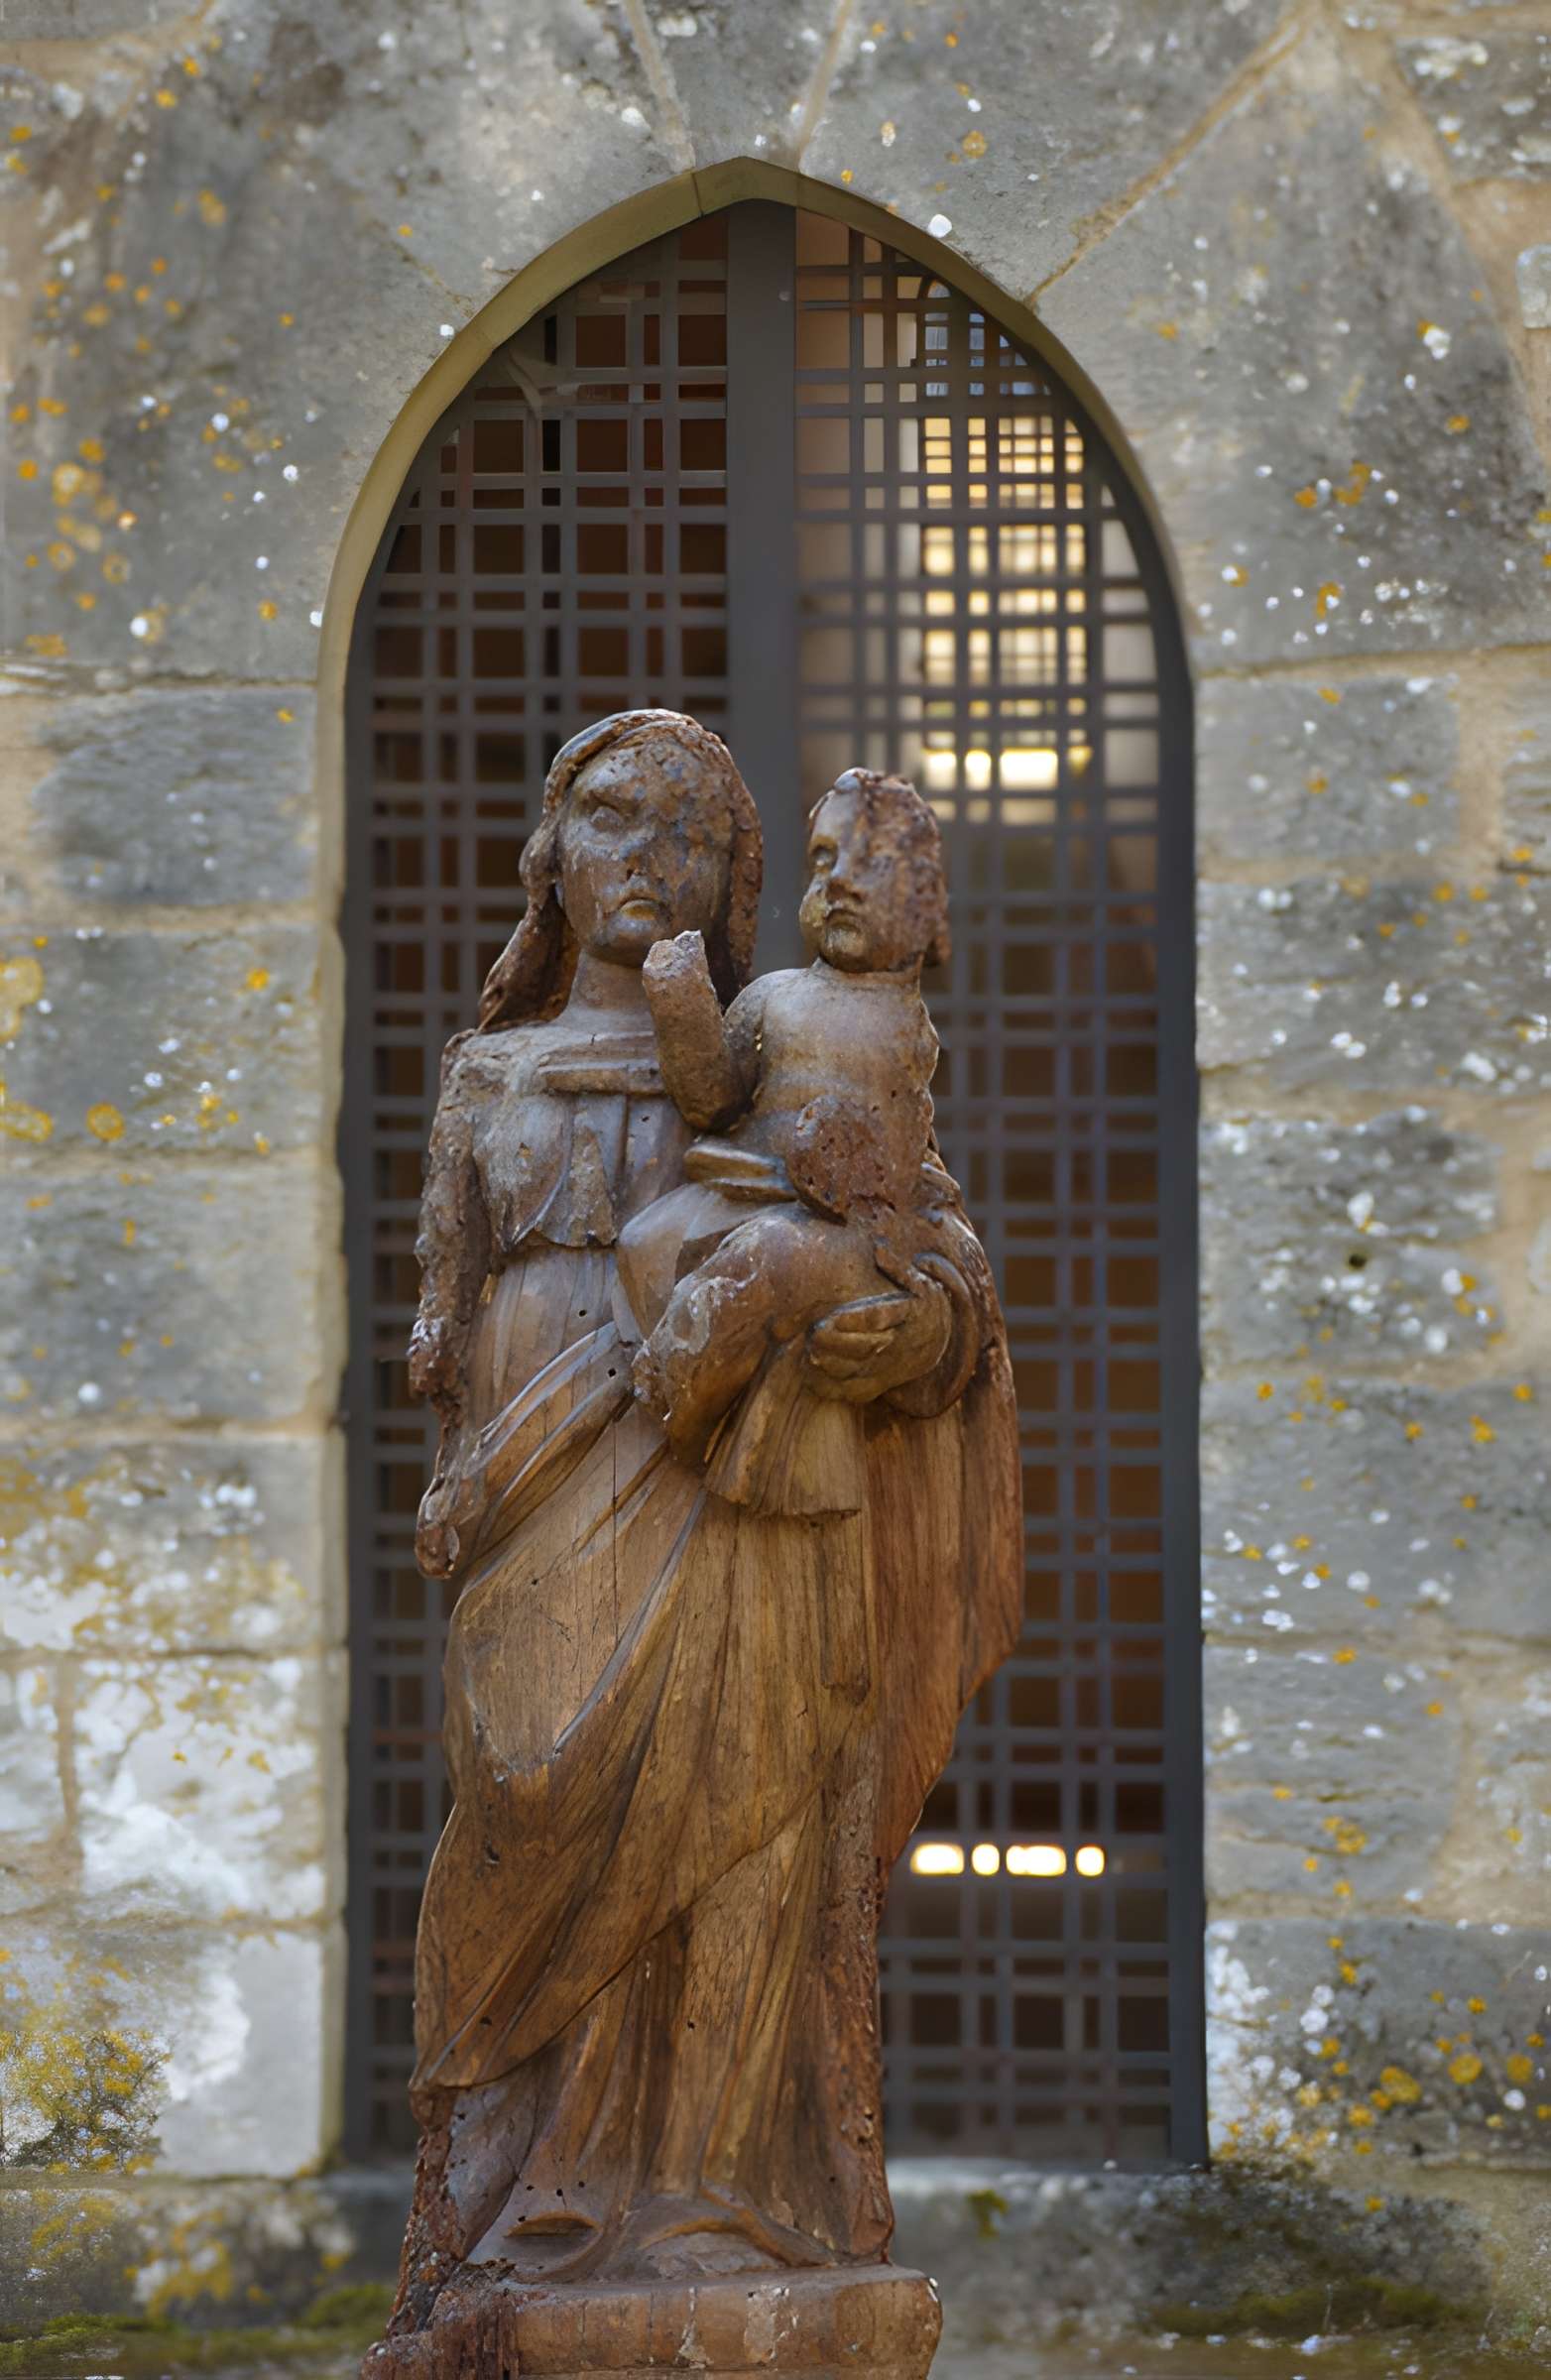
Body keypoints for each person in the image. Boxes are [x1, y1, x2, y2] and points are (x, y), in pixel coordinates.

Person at [384, 709, 1020, 2345]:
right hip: (535, 1495)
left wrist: (921, 1335)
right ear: (551, 847)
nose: (639, 858)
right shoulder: (489, 1071)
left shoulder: (771, 1053)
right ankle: (495, 2221)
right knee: (526, 1789)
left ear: (731, 880)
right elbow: (441, 1295)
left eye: (685, 836)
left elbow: (924, 1250)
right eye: (607, 818)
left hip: (749, 1498)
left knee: (741, 1824)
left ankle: (705, 2203)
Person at [620, 770, 952, 1520]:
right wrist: (682, 1007)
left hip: (843, 1239)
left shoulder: (906, 1029)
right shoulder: (772, 997)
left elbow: (900, 1176)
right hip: (736, 1197)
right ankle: (696, 1397)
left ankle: (677, 1402)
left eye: (873, 864)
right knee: (647, 1241)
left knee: (765, 1261)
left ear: (929, 908)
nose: (841, 882)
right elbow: (713, 1099)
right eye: (826, 860)